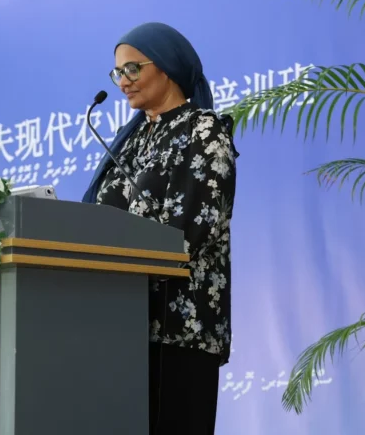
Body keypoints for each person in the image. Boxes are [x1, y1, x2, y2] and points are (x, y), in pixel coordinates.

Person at [82, 22, 238, 434]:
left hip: (180, 331)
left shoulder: (203, 131)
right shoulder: (130, 141)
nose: (123, 82)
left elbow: (189, 232)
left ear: (168, 66)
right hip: (120, 328)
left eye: (132, 69)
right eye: (118, 72)